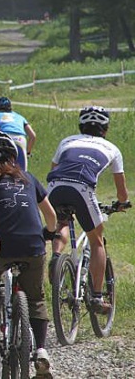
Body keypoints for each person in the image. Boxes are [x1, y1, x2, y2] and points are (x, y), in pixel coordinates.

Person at [0, 131, 58, 377]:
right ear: (14, 157)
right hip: (32, 245)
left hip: (1, 245)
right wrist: (48, 233)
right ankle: (40, 350)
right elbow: (51, 217)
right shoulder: (28, 178)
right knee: (36, 299)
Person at [46, 106, 130, 314]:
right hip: (82, 188)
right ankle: (97, 297)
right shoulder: (111, 148)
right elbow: (122, 191)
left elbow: (54, 169)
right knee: (96, 240)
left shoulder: (66, 141)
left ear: (80, 126)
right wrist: (121, 203)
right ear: (106, 129)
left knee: (62, 222)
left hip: (54, 186)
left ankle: (56, 257)